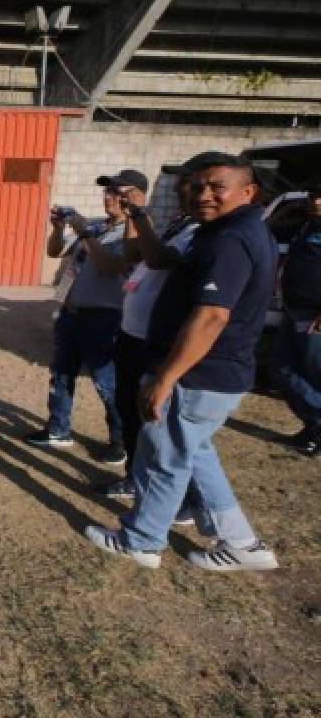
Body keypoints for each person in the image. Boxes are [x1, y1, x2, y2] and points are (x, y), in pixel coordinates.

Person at [85, 154, 280, 572]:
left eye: (216, 186)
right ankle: (242, 542)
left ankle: (142, 540)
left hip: (197, 374)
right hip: (213, 375)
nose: (202, 194)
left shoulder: (231, 239)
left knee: (164, 459)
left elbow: (212, 315)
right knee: (195, 452)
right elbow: (157, 260)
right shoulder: (227, 231)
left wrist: (165, 379)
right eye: (194, 185)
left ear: (249, 192)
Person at [99, 157, 205, 499]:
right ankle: (134, 476)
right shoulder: (172, 224)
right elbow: (134, 254)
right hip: (131, 333)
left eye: (121, 191)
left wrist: (140, 215)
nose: (182, 191)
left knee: (155, 422)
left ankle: (181, 497)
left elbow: (159, 259)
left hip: (154, 338)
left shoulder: (197, 231)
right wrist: (134, 217)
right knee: (129, 409)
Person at [25, 170, 139, 462]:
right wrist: (58, 228)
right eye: (107, 192)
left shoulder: (134, 232)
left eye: (116, 192)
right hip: (71, 313)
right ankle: (58, 429)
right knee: (61, 375)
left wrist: (85, 231)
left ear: (134, 196)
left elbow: (110, 267)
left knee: (107, 383)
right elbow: (55, 252)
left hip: (105, 317)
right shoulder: (97, 226)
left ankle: (120, 441)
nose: (108, 197)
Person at [273, 182, 321, 457]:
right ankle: (314, 423)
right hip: (294, 310)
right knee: (282, 370)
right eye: (314, 195)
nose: (316, 202)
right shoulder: (306, 226)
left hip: (315, 316)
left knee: (314, 375)